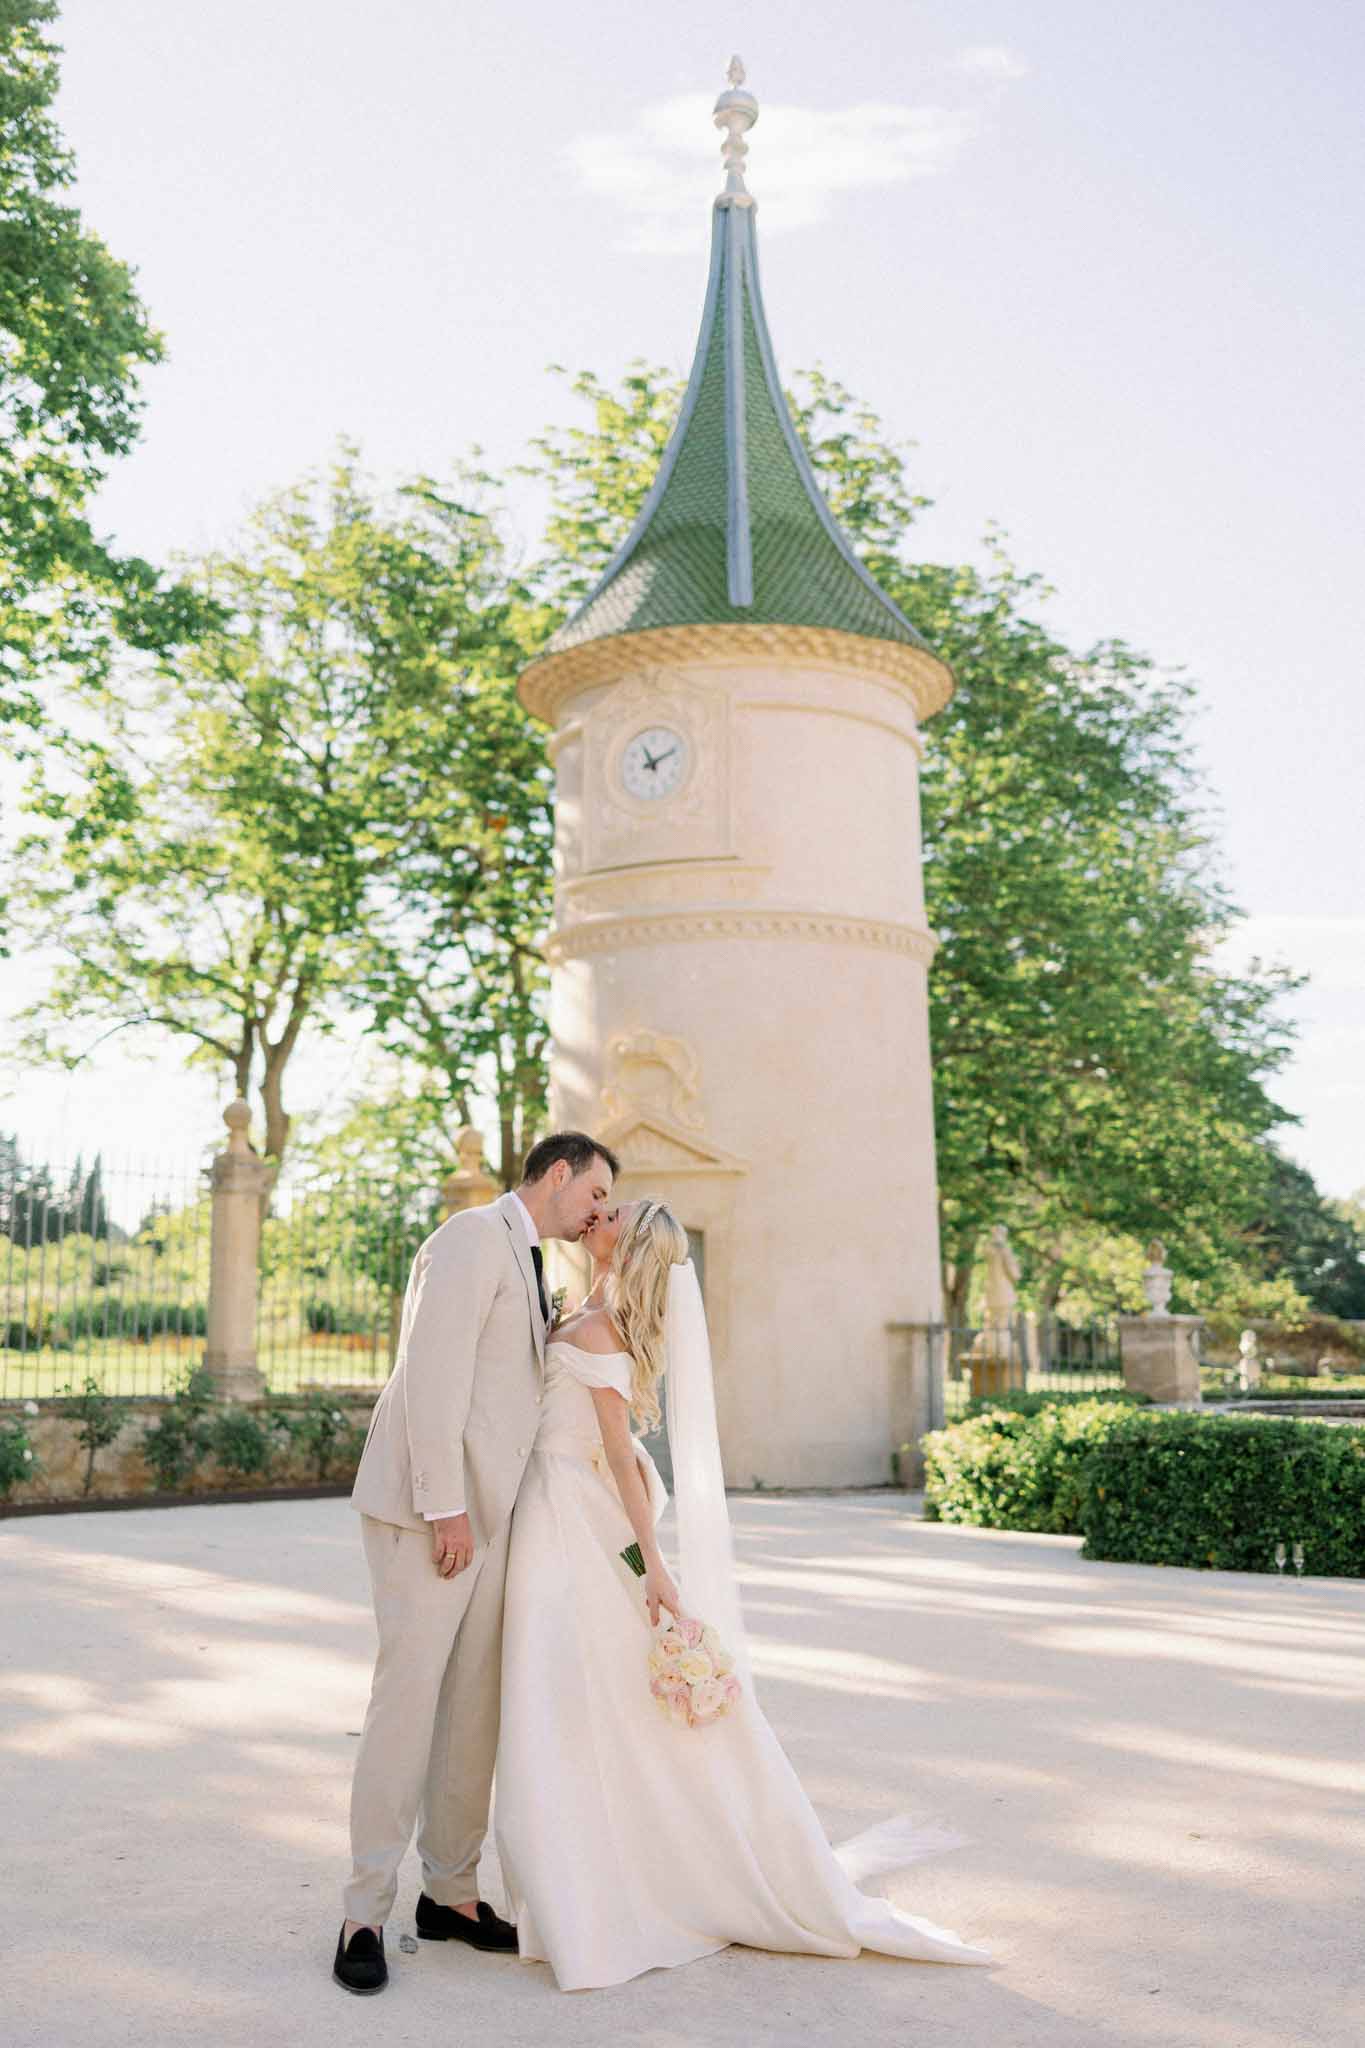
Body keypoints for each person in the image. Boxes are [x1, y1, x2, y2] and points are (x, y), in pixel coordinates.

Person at [492, 1198, 993, 1991]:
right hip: (549, 1507)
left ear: (628, 1247)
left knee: (563, 1690)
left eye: (611, 1212)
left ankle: (602, 1888)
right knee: (566, 1691)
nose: (597, 1212)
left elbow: (622, 1459)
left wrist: (654, 1564)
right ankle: (578, 1874)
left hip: (569, 1523)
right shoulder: (576, 1313)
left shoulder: (596, 1332)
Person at [332, 1132, 618, 1995]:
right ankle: (362, 1911)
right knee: (407, 1705)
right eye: (596, 1192)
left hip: (493, 1520)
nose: (599, 1210)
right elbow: (432, 1378)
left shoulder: (532, 1259)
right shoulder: (466, 1238)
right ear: (557, 1173)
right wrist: (444, 1507)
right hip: (434, 1513)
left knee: (471, 1712)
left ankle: (449, 1895)